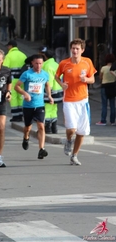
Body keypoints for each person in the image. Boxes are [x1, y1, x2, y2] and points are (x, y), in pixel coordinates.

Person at [55, 38, 96, 166]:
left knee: (81, 132)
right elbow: (56, 76)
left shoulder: (87, 62)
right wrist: (61, 84)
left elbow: (93, 79)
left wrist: (86, 79)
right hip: (69, 101)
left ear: (82, 50)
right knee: (72, 129)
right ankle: (68, 140)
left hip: (83, 101)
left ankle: (75, 155)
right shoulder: (64, 63)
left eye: (77, 48)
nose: (75, 51)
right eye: (73, 48)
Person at [14, 54, 53, 159]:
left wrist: (49, 96)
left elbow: (47, 85)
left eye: (40, 63)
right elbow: (16, 86)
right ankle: (26, 137)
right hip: (28, 105)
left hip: (40, 104)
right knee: (28, 127)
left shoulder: (45, 74)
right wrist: (25, 94)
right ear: (32, 63)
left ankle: (41, 149)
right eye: (36, 63)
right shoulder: (27, 74)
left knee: (41, 126)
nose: (38, 65)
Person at [40, 47, 63, 134]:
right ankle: (54, 128)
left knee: (47, 110)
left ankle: (48, 128)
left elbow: (48, 81)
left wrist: (48, 93)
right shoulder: (56, 64)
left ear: (45, 56)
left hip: (51, 91)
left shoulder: (46, 66)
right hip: (58, 91)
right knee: (54, 110)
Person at [3, 40, 27, 122]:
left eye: (8, 46)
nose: (7, 48)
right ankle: (22, 114)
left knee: (13, 98)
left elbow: (5, 68)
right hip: (22, 80)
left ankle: (16, 116)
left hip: (12, 80)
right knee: (21, 97)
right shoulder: (23, 55)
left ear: (10, 46)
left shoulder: (9, 56)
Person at [96, 53, 116, 125]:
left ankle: (103, 120)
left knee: (104, 104)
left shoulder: (103, 68)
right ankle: (112, 121)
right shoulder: (114, 68)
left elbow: (100, 77)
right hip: (113, 87)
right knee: (112, 104)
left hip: (104, 86)